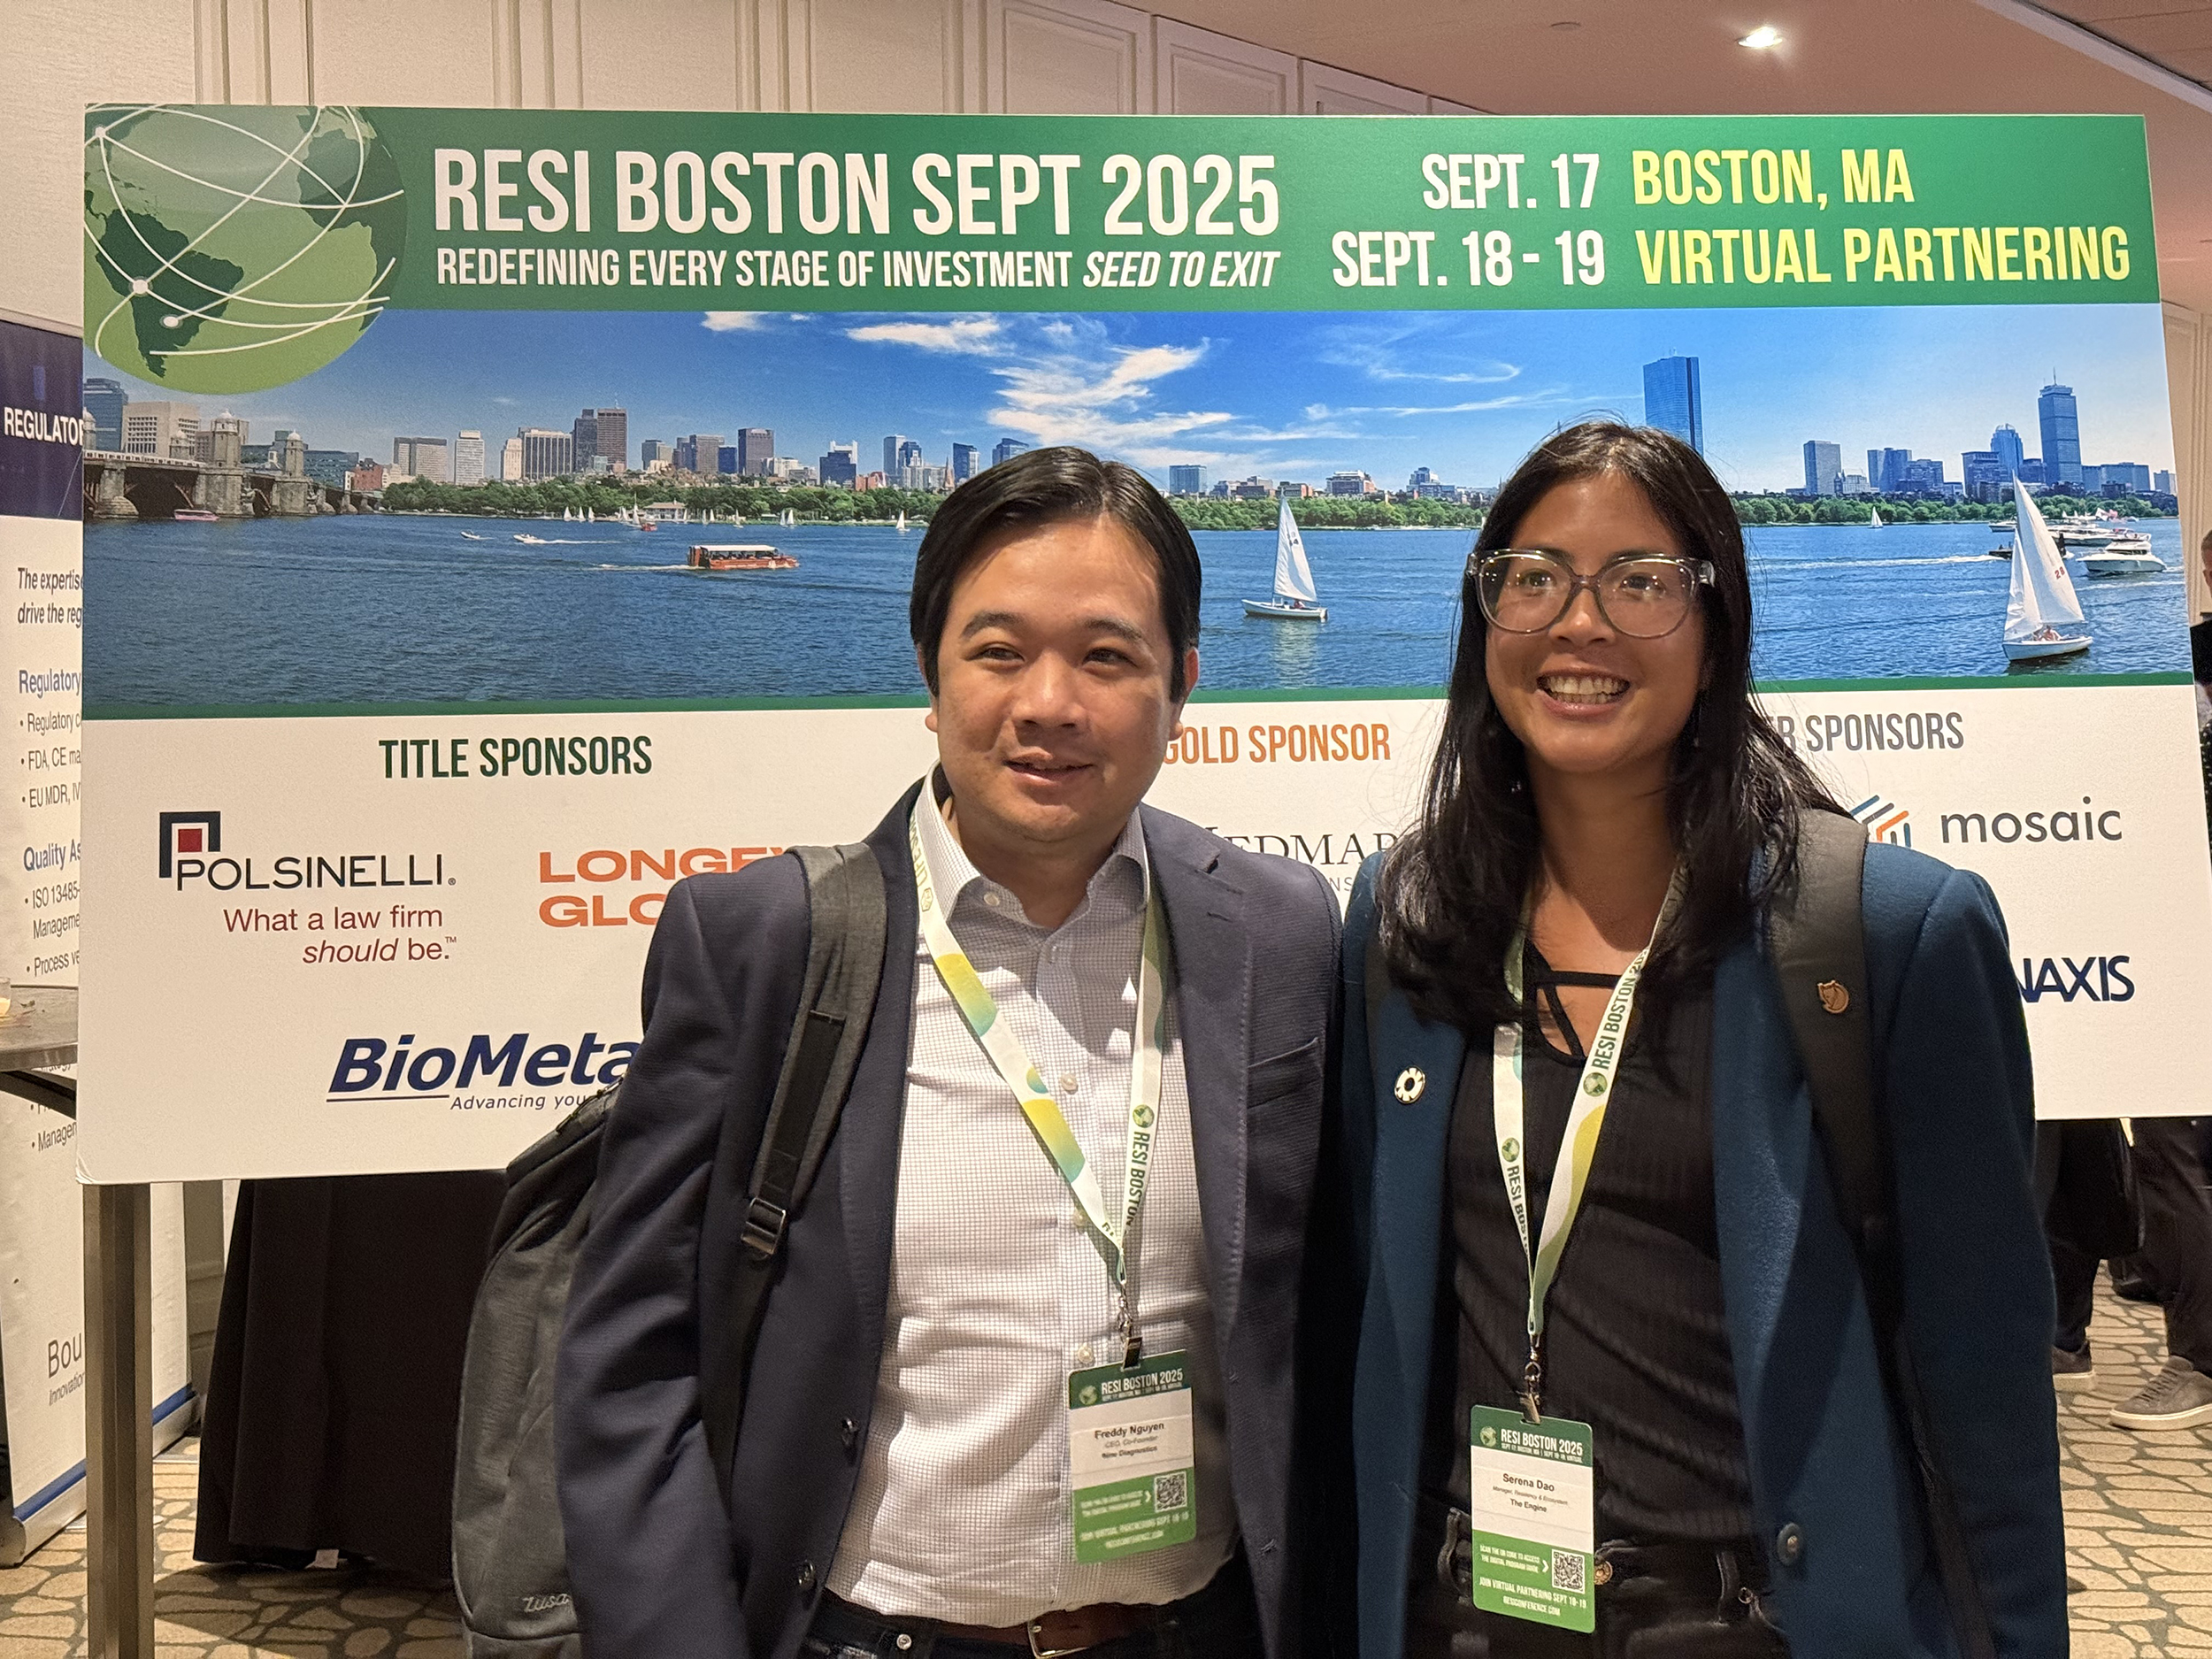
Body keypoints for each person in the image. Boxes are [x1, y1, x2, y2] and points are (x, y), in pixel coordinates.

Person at [556, 446, 1341, 1659]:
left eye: (1107, 656)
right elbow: (631, 1357)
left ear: (1182, 682)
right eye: (999, 651)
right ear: (930, 672)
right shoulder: (768, 943)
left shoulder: (1277, 934)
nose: (1049, 703)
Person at [1332, 422, 2065, 1656]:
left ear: (1717, 629)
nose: (1581, 624)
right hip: (1466, 1613)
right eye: (1534, 578)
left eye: (1642, 582)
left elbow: (1984, 1376)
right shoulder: (1406, 920)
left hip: (1748, 1621)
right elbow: (1363, 1300)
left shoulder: (1888, 934)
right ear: (1484, 617)